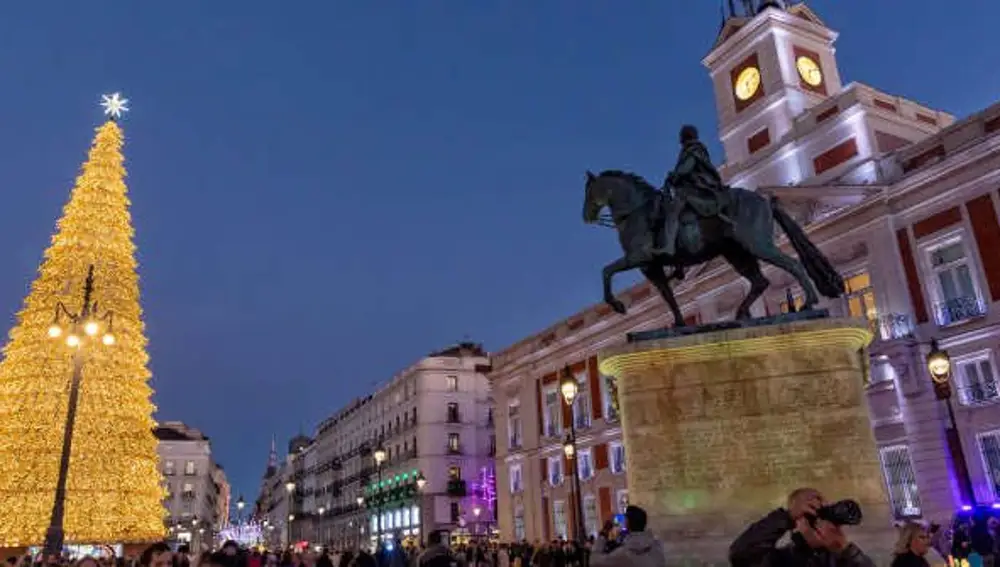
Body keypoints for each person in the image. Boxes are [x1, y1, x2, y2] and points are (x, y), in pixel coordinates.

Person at [729, 487, 874, 567]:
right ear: (795, 523)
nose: (820, 519)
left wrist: (846, 551)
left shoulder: (841, 560)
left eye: (823, 507)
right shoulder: (781, 560)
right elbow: (740, 555)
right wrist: (787, 517)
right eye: (811, 511)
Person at [660, 124, 732, 257]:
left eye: (681, 136)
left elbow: (687, 167)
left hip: (698, 187)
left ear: (684, 137)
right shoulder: (695, 149)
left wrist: (674, 175)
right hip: (700, 186)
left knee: (672, 212)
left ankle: (669, 246)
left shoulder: (693, 150)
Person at [590, 505, 666, 567]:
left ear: (627, 523)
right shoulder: (657, 547)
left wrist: (604, 532)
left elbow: (594, 561)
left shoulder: (623, 554)